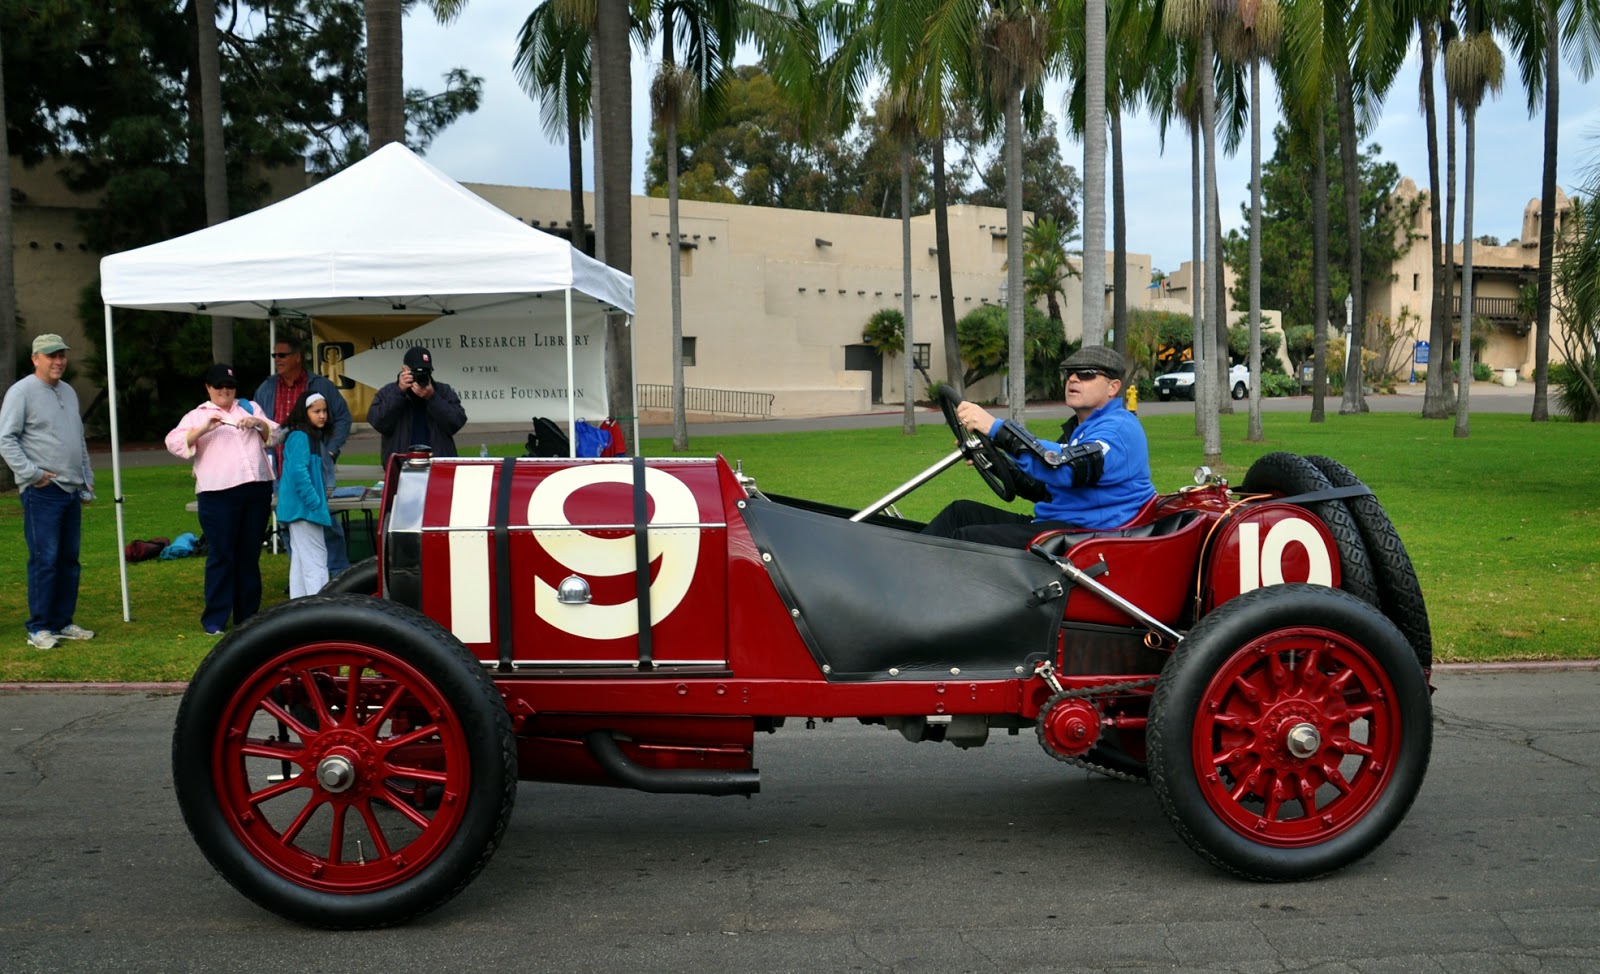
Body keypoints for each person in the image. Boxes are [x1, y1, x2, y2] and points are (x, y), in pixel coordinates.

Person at [921, 346, 1155, 546]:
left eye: (1086, 374)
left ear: (1113, 387)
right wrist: (991, 459)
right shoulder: (1081, 431)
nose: (1073, 379)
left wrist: (995, 428)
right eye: (1070, 374)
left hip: (1086, 537)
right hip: (1062, 525)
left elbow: (1065, 468)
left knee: (967, 540)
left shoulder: (1117, 430)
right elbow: (1043, 489)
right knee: (960, 513)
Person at [165, 364, 277, 635]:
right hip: (218, 493)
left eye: (229, 386)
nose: (225, 391)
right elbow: (174, 443)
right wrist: (202, 430)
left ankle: (247, 616)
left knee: (249, 555)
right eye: (219, 387)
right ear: (208, 388)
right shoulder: (197, 415)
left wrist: (258, 423)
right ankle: (215, 620)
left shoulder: (249, 407)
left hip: (256, 488)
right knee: (221, 555)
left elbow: (276, 434)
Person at [0, 334, 96, 649]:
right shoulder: (21, 392)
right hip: (43, 491)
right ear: (35, 358)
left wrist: (86, 477)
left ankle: (62, 622)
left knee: (69, 559)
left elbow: (77, 439)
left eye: (62, 356)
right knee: (45, 558)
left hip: (70, 489)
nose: (58, 361)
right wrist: (32, 474)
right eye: (51, 356)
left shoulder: (68, 391)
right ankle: (38, 628)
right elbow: (6, 439)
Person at [255, 336, 352, 575]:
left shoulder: (321, 385)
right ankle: (304, 583)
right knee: (291, 529)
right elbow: (261, 425)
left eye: (282, 355)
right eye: (274, 356)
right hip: (279, 473)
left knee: (324, 525)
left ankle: (337, 576)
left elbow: (343, 418)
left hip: (316, 471)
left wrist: (329, 450)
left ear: (298, 357)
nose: (277, 360)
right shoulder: (267, 387)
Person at [368, 345, 467, 467]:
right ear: (405, 370)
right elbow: (378, 421)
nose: (421, 377)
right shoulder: (389, 392)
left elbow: (456, 422)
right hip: (401, 466)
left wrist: (432, 397)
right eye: (416, 372)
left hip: (438, 466)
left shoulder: (442, 391)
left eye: (426, 372)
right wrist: (399, 391)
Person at [277, 392, 334, 597]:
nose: (322, 415)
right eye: (316, 411)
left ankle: (300, 605)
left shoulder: (305, 436)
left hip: (300, 509)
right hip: (305, 509)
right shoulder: (301, 436)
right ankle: (319, 611)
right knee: (316, 560)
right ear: (305, 412)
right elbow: (298, 472)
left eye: (324, 411)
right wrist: (315, 502)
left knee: (302, 560)